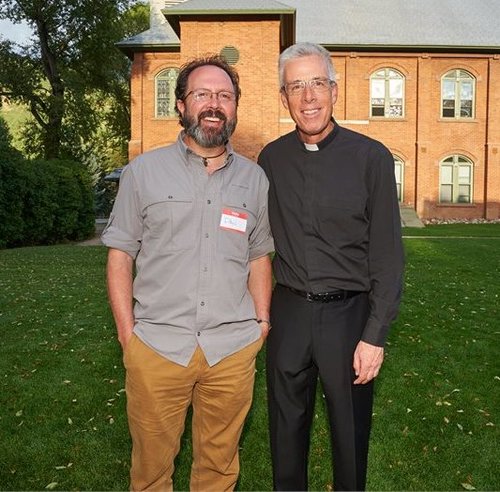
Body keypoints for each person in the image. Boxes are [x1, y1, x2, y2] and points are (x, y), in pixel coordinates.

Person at [102, 55, 274, 491]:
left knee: (219, 470)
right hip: (158, 346)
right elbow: (120, 254)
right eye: (202, 94)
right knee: (151, 471)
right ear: (181, 105)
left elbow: (259, 257)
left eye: (224, 96)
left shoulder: (255, 180)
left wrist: (261, 324)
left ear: (235, 107)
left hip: (232, 351)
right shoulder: (142, 172)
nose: (214, 104)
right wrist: (128, 335)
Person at [258, 42, 404, 491]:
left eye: (317, 83)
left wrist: (374, 335)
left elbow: (387, 255)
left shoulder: (371, 158)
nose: (308, 97)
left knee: (350, 435)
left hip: (349, 316)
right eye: (296, 86)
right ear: (284, 98)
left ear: (335, 91)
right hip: (290, 314)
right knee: (285, 434)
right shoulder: (271, 159)